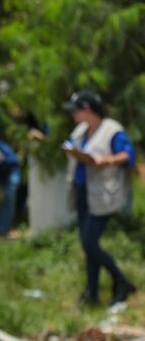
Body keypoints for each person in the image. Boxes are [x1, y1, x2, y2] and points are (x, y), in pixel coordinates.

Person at [62, 89, 137, 306]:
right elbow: (69, 145)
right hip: (83, 193)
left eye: (76, 111)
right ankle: (92, 293)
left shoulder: (112, 130)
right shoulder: (80, 131)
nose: (73, 116)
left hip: (104, 196)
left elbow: (128, 155)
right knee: (88, 245)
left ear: (87, 110)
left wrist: (106, 160)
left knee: (89, 242)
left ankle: (121, 281)